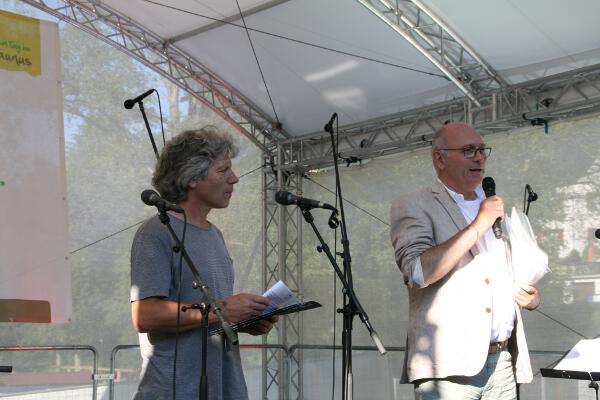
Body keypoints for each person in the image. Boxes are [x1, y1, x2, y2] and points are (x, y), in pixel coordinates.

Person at [389, 122, 541, 400]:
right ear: (440, 158)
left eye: (482, 150)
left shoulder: (493, 204)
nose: (479, 157)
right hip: (449, 369)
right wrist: (478, 224)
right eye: (469, 150)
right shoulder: (414, 204)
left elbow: (499, 274)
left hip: (503, 360)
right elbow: (417, 272)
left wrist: (528, 296)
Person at [130, 126, 276, 400]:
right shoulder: (156, 232)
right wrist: (222, 310)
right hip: (174, 390)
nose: (234, 178)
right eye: (223, 170)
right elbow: (144, 315)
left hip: (223, 386)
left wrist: (243, 320)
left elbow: (209, 316)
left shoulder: (215, 234)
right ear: (192, 178)